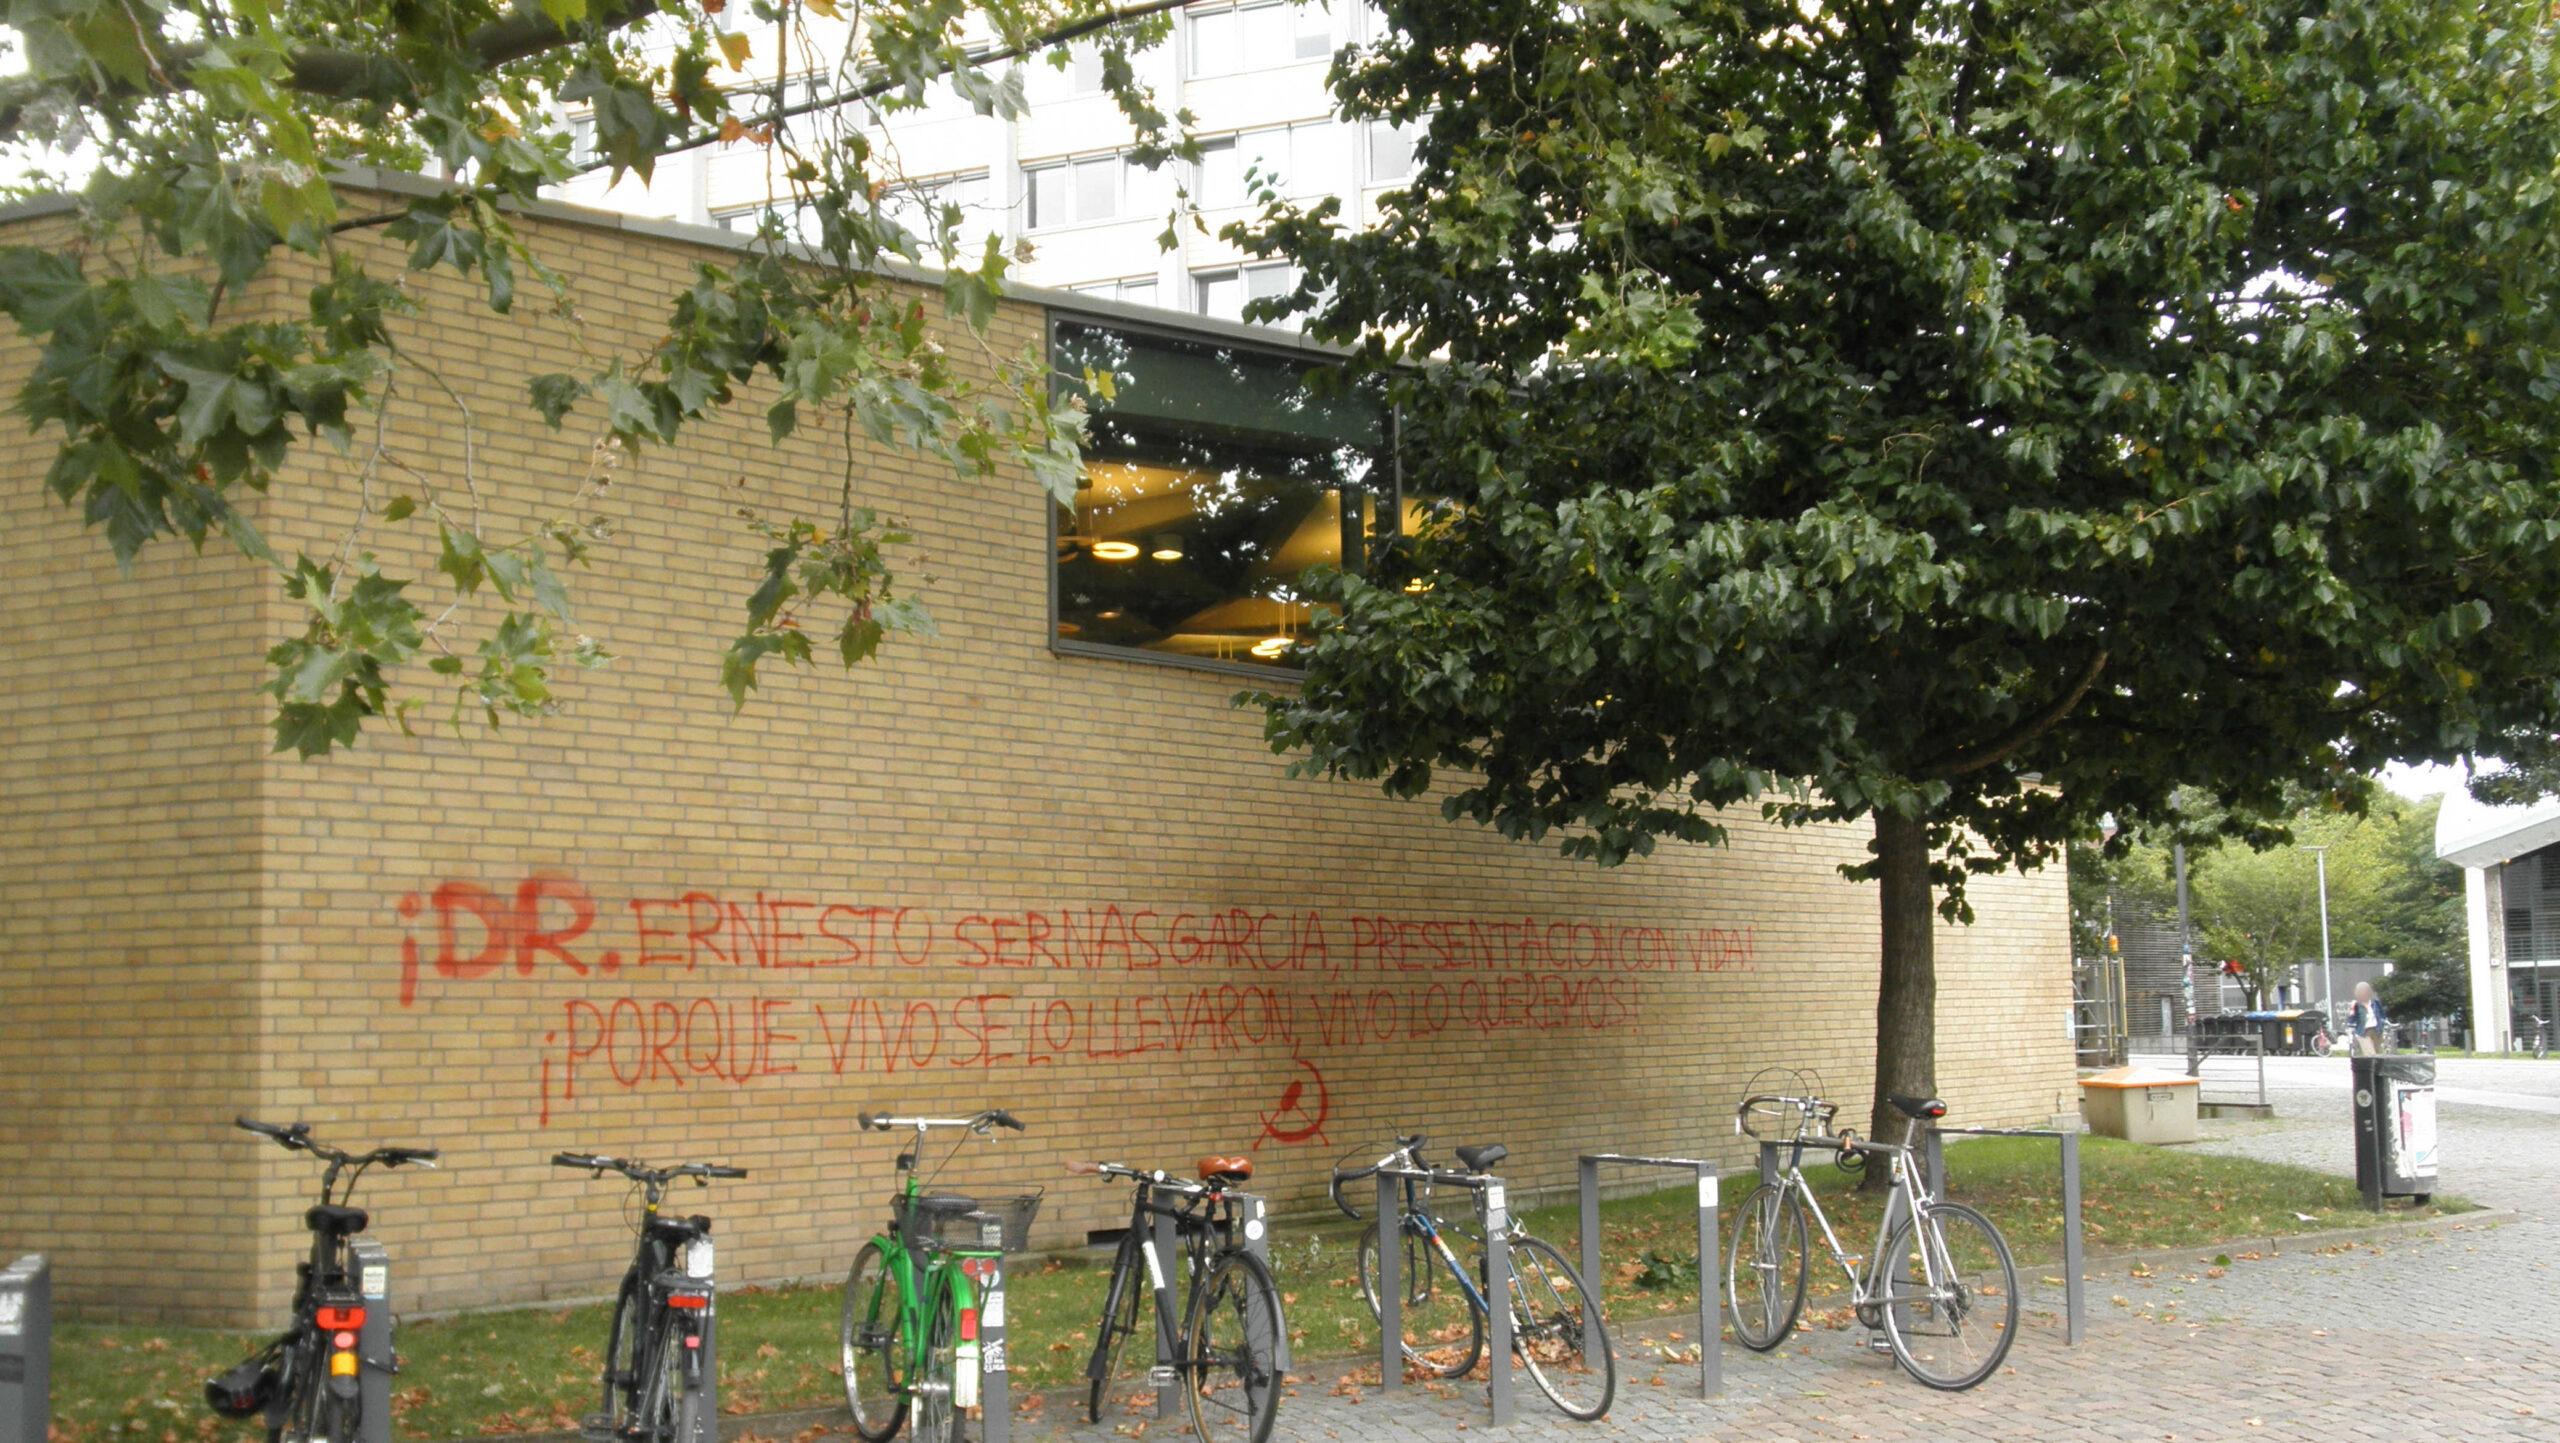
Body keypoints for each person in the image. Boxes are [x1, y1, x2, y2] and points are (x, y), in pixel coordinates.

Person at [2346, 980, 2387, 1056]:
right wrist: (2352, 1009)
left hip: (2377, 1030)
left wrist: (2383, 1025)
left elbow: (2382, 1015)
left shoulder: (2375, 1003)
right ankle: (2371, 1067)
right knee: (2370, 1054)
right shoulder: (2357, 1005)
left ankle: (2375, 1067)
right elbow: (2351, 1020)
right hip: (2363, 1032)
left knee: (2376, 1054)